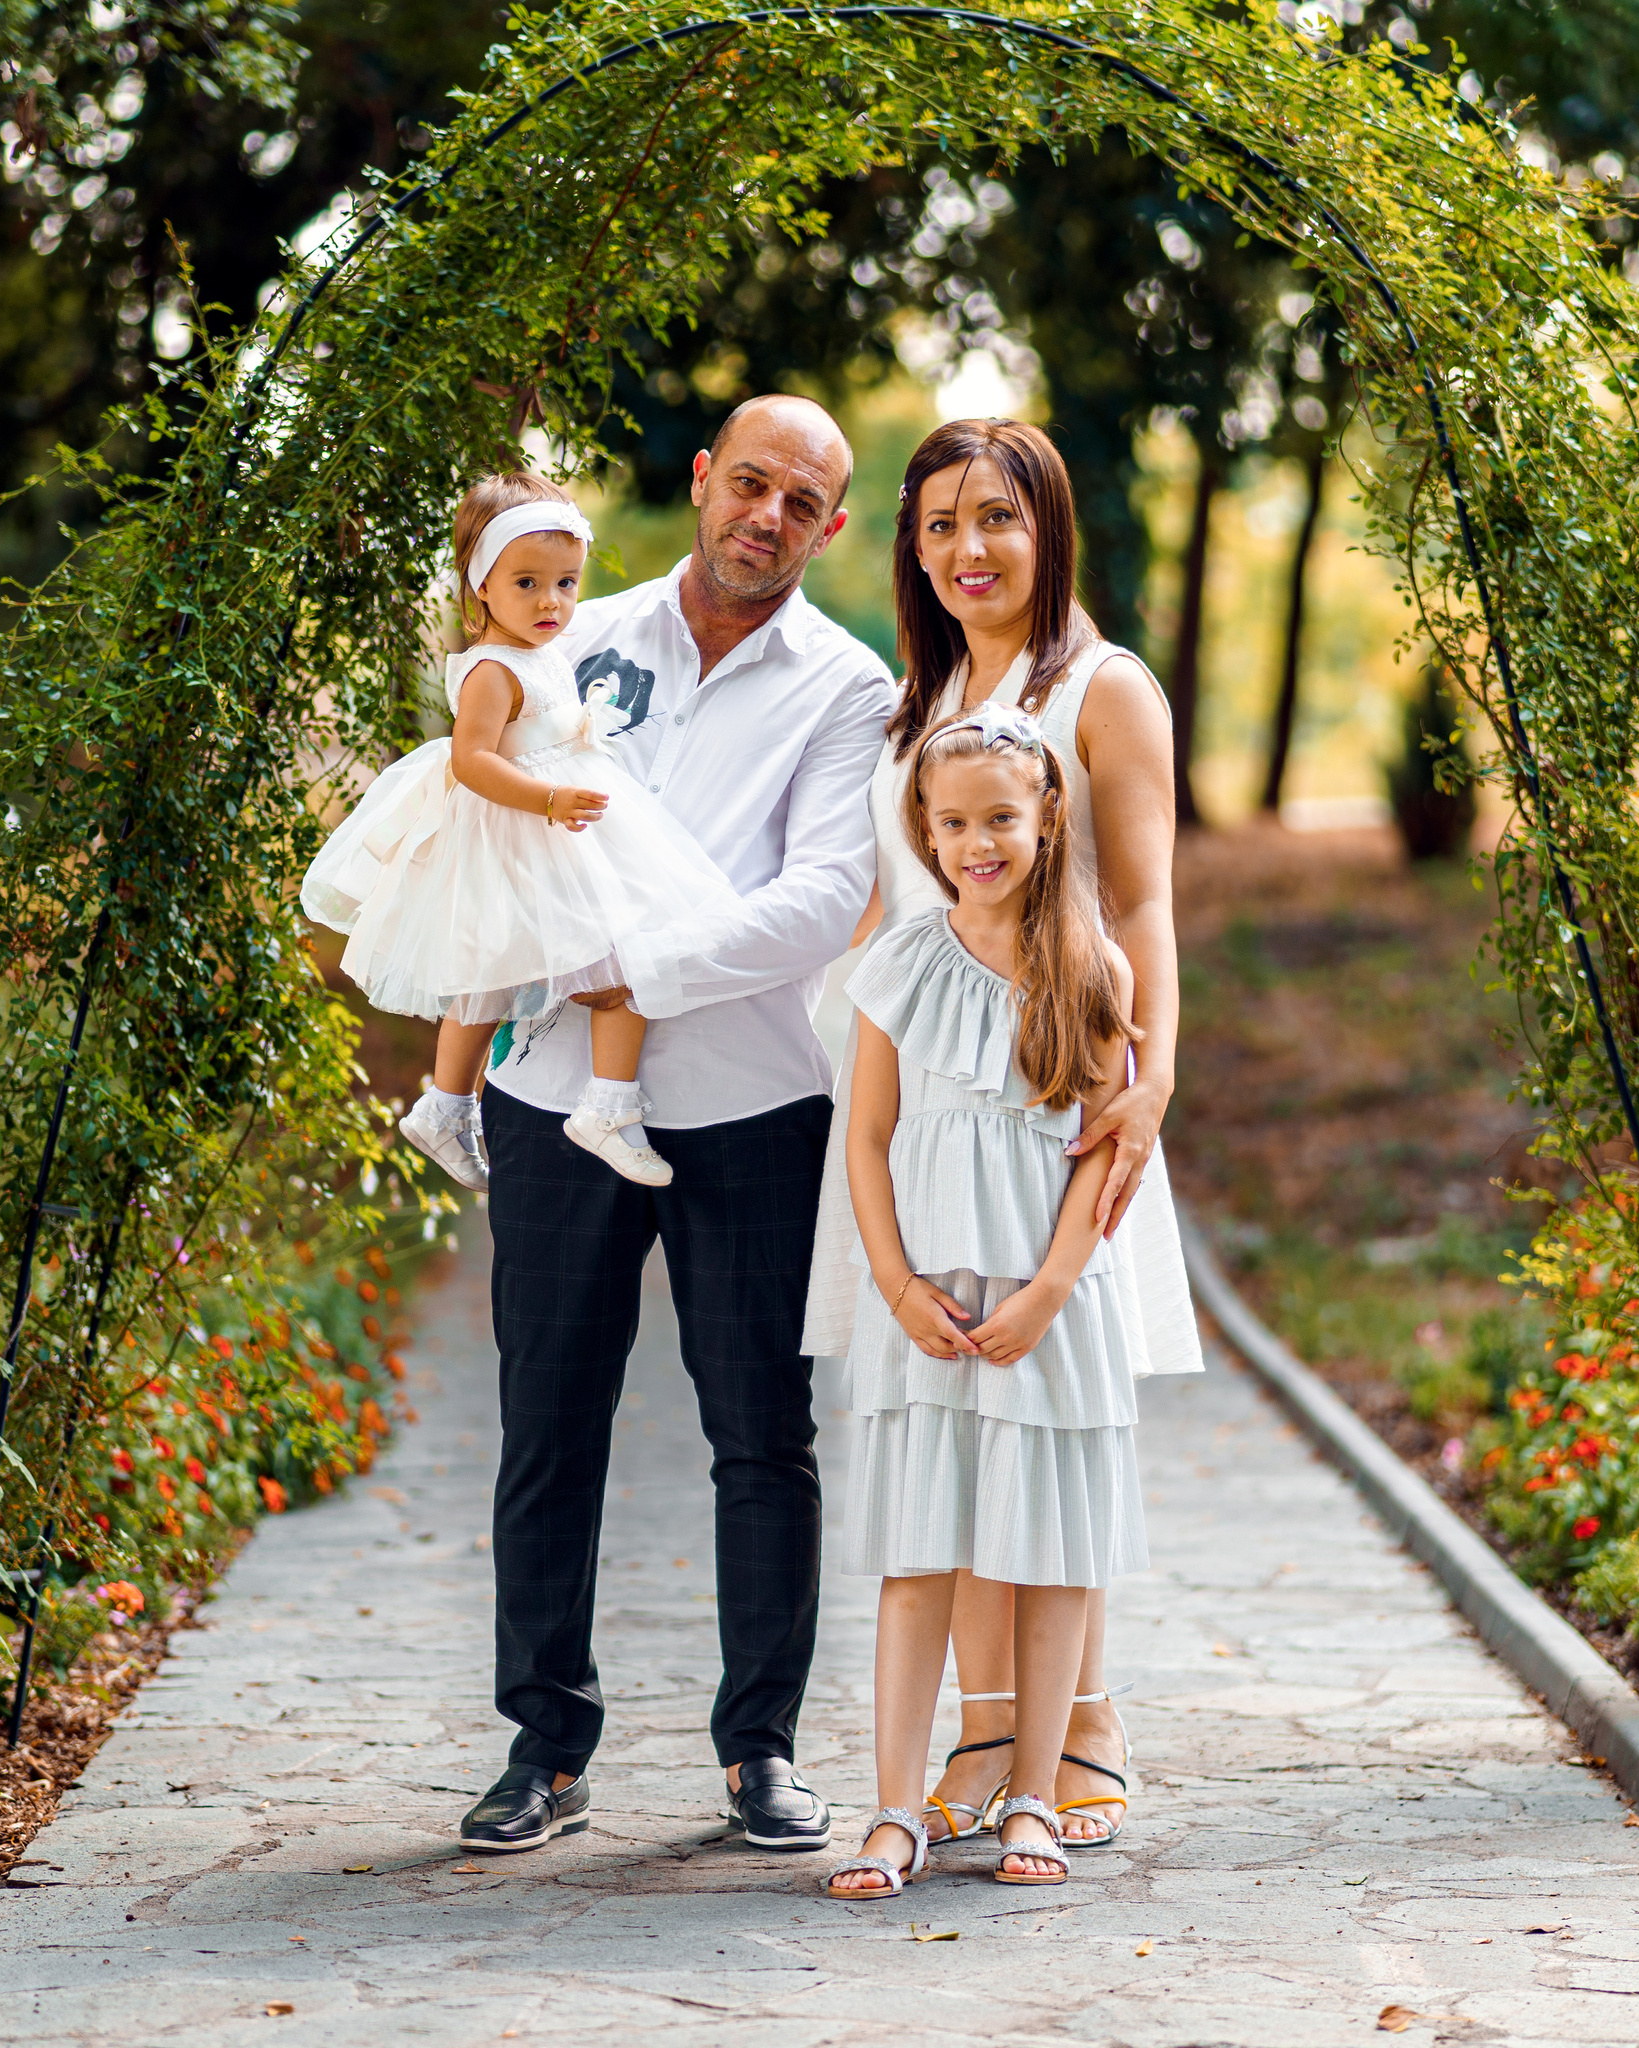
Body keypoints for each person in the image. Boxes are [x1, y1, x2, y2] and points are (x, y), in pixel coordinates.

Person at [456, 395, 894, 1857]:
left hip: (754, 1101)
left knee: (762, 1430)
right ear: (704, 481)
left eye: (804, 502)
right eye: (751, 482)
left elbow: (826, 896)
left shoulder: (847, 690)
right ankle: (544, 1741)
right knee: (549, 1416)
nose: (769, 515)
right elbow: (494, 821)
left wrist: (638, 964)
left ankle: (758, 1745)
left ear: (830, 528)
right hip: (550, 1089)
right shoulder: (568, 631)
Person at [801, 417, 1202, 1853]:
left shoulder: (1104, 689)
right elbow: (884, 908)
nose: (970, 550)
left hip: (1049, 1092)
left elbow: (1144, 902)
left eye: (999, 519)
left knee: (1047, 1410)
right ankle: (980, 1733)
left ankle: (1077, 1728)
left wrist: (1146, 1082)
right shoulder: (917, 701)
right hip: (920, 1099)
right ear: (912, 550)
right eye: (939, 526)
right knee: (948, 1408)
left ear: (1049, 526)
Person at [823, 703, 1145, 1897]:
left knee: (1048, 1551)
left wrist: (1051, 1290)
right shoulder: (897, 962)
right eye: (952, 821)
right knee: (922, 1555)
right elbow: (865, 1138)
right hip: (931, 1306)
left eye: (999, 817)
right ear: (923, 825)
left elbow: (1104, 1152)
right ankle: (896, 1807)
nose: (976, 842)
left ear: (1046, 812)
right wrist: (897, 1287)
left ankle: (1032, 1794)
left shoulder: (1091, 965)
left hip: (1046, 1310)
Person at [300, 473, 740, 1190]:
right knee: (558, 969)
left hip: (562, 820)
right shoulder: (492, 671)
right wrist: (547, 799)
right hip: (519, 826)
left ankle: (470, 1102)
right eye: (528, 583)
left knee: (604, 961)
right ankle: (553, 1103)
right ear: (481, 587)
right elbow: (470, 760)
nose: (551, 603)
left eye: (566, 583)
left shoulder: (545, 653)